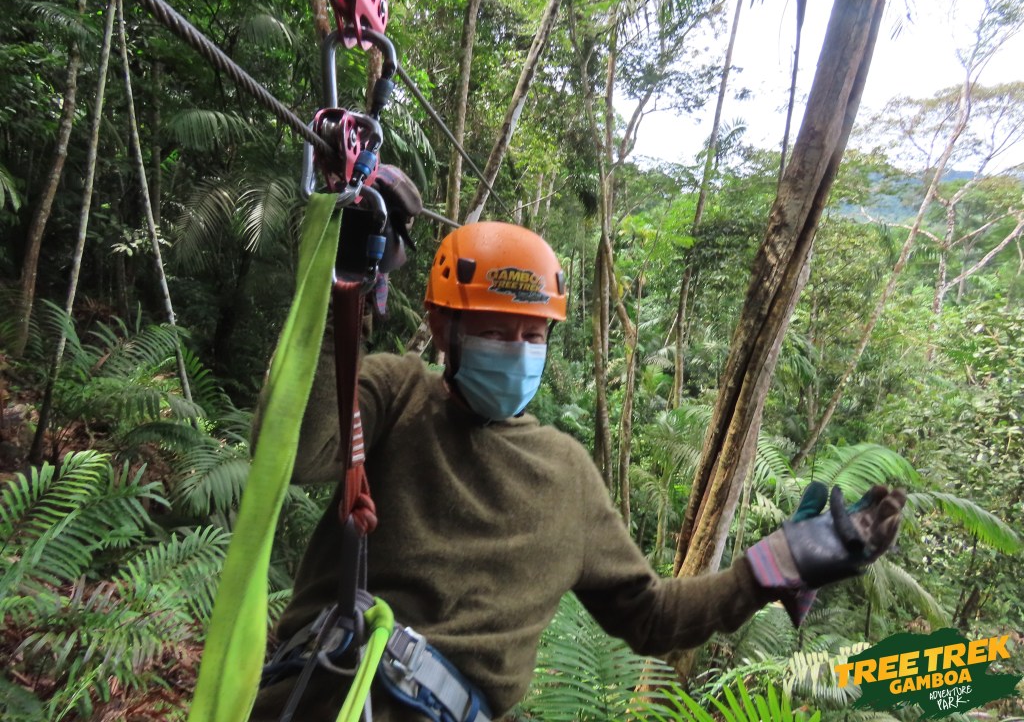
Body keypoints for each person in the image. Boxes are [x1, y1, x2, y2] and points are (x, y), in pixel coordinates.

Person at [252, 168, 906, 722]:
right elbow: (293, 450)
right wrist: (339, 287)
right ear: (440, 325)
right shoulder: (395, 393)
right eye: (494, 329)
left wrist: (774, 566)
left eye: (534, 334)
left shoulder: (566, 475)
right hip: (320, 697)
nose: (517, 349)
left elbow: (649, 615)